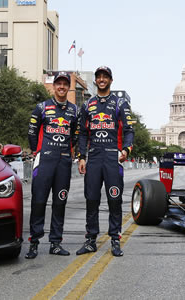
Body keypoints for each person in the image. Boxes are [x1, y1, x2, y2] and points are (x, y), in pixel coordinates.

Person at [75, 66, 134, 257]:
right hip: (93, 157)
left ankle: (115, 240)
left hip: (112, 157)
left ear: (111, 80)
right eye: (99, 77)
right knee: (91, 199)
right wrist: (81, 157)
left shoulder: (120, 104)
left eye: (105, 77)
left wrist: (126, 149)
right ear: (95, 81)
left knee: (114, 199)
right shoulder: (87, 105)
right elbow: (82, 133)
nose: (102, 80)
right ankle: (91, 239)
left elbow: (129, 130)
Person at [24, 71, 80, 259]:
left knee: (60, 202)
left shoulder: (74, 110)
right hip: (44, 160)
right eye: (59, 84)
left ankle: (55, 243)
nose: (62, 87)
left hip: (64, 161)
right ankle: (34, 242)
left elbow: (76, 135)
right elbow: (32, 131)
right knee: (39, 202)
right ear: (54, 86)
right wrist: (36, 151)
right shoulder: (41, 107)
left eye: (65, 84)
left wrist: (70, 151)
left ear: (68, 86)